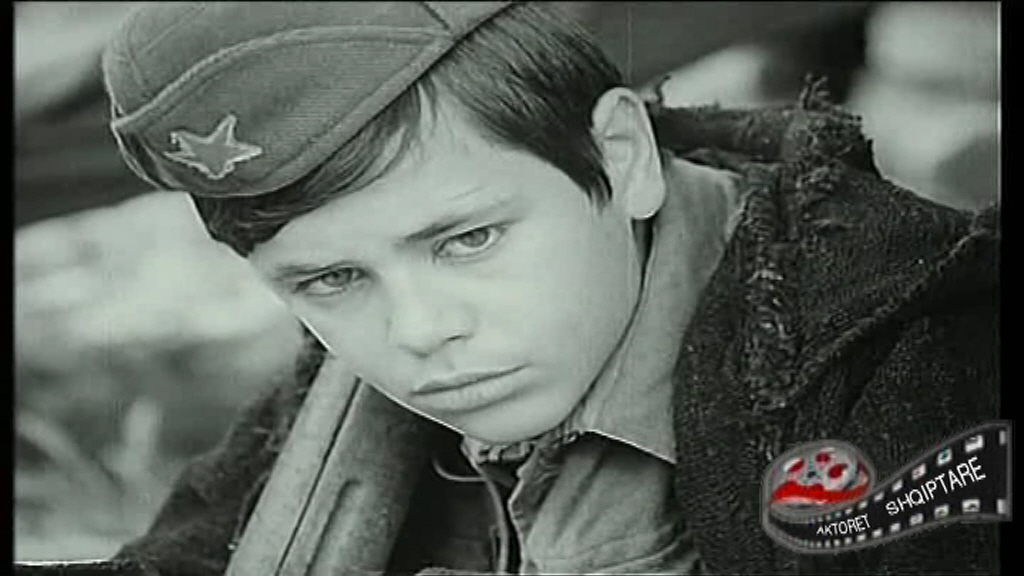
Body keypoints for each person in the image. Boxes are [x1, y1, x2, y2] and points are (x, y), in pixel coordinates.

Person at [53, 1, 1001, 574]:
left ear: (623, 157)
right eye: (332, 278)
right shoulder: (362, 383)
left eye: (468, 240)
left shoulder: (916, 357)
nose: (420, 331)